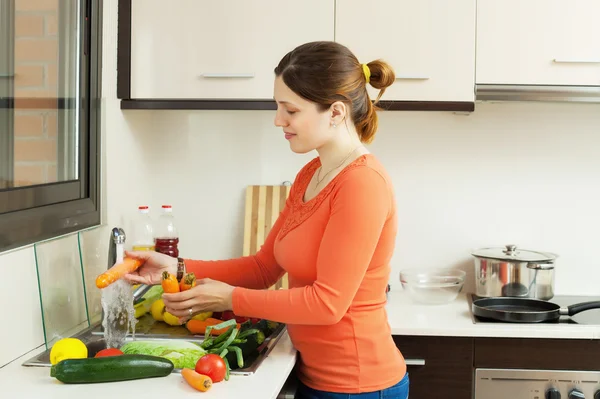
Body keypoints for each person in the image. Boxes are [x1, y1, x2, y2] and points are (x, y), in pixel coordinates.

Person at [125, 41, 408, 399]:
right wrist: (177, 267)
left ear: (335, 112)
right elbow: (264, 267)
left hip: (359, 386)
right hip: (317, 377)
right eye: (278, 108)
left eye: (290, 110)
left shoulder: (362, 184)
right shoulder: (311, 174)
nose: (278, 120)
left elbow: (327, 303)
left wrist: (229, 298)